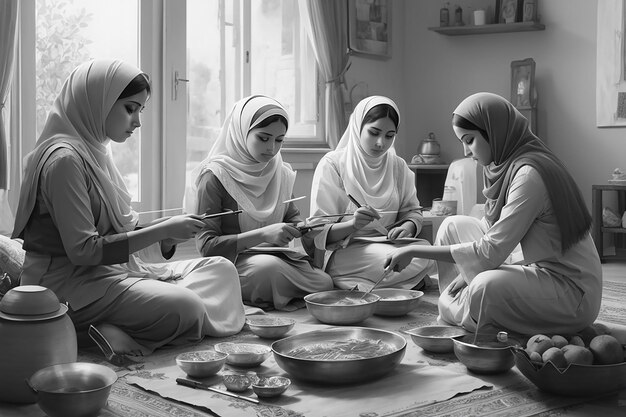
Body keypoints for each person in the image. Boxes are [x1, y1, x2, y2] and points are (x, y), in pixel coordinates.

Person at [12, 59, 246, 364]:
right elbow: (85, 251)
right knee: (186, 306)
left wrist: (169, 231)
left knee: (220, 270)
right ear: (99, 102)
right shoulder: (64, 161)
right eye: (130, 108)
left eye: (140, 110)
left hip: (106, 277)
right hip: (68, 285)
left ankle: (120, 323)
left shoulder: (95, 152)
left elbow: (117, 229)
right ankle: (88, 332)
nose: (137, 122)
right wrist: (162, 230)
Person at [384, 92, 602, 336]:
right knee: (451, 226)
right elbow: (491, 230)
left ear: (494, 131)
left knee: (483, 286)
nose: (466, 151)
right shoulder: (502, 165)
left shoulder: (530, 175)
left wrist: (413, 249)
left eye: (470, 140)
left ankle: (462, 309)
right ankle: (463, 307)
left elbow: (491, 251)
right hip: (530, 265)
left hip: (568, 291)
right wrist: (469, 271)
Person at [187, 95, 333, 311]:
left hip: (275, 259)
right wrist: (263, 235)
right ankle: (270, 292)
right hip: (234, 263)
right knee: (267, 270)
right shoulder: (215, 176)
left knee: (324, 282)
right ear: (241, 132)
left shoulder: (279, 172)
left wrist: (303, 229)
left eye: (279, 140)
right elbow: (207, 246)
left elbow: (291, 217)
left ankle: (267, 294)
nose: (272, 148)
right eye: (263, 138)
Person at [305, 96, 435, 291]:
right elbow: (317, 231)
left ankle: (361, 284)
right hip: (345, 249)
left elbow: (413, 211)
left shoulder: (398, 167)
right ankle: (400, 283)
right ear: (358, 127)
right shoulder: (334, 164)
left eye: (389, 136)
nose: (381, 143)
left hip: (389, 245)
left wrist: (407, 227)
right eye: (374, 133)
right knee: (392, 261)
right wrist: (353, 225)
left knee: (429, 254)